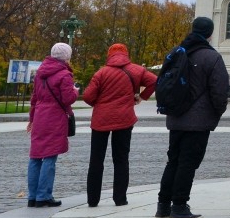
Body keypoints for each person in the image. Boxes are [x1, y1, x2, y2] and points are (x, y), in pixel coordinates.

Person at [155, 16, 230, 218]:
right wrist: (217, 112)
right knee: (188, 163)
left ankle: (162, 207)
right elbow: (219, 90)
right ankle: (179, 206)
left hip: (176, 117)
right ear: (210, 34)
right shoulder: (211, 57)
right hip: (198, 120)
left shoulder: (177, 52)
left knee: (173, 161)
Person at [80, 41, 158, 208]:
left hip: (101, 120)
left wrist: (99, 103)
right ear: (126, 54)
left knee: (96, 160)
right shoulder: (137, 70)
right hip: (125, 119)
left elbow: (87, 97)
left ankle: (93, 200)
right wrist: (141, 97)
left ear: (109, 55)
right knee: (121, 159)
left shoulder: (101, 73)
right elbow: (154, 81)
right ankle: (120, 199)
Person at [27, 43, 77, 208]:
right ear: (66, 57)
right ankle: (44, 195)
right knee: (50, 156)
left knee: (35, 157)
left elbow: (34, 98)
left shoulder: (40, 73)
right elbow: (67, 98)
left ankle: (32, 196)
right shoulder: (64, 75)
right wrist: (75, 91)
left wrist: (32, 119)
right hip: (55, 117)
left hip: (40, 116)